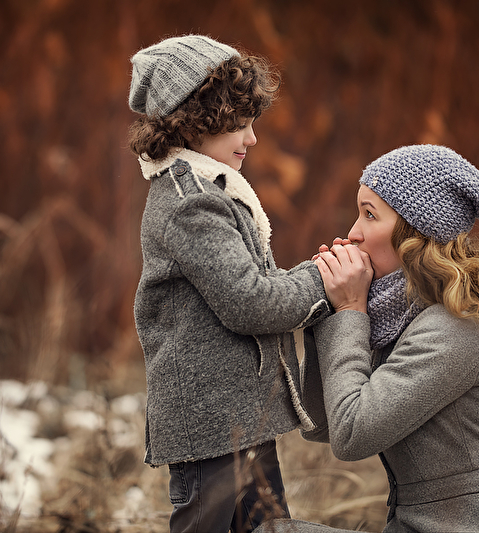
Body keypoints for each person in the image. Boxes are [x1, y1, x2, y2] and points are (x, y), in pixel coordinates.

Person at [255, 145, 479, 532]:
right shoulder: (399, 322)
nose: (353, 233)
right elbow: (322, 425)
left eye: (369, 214)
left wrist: (349, 312)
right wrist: (328, 311)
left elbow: (351, 435)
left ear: (415, 233)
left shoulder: (451, 331)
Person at [128, 35, 333, 533]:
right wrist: (323, 280)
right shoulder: (190, 203)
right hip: (209, 426)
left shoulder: (212, 190)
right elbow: (249, 301)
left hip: (239, 419)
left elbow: (255, 282)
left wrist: (315, 275)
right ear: (193, 123)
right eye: (239, 125)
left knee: (268, 528)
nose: (252, 138)